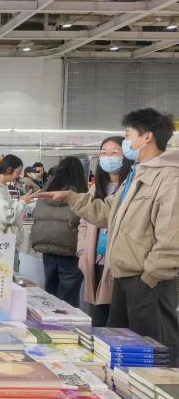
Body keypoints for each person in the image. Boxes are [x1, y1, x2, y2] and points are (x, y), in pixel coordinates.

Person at [39, 108, 179, 363]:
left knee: (154, 354)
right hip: (124, 278)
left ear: (147, 137)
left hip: (148, 282)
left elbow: (172, 238)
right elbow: (106, 212)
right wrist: (70, 197)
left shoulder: (170, 178)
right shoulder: (137, 175)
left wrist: (150, 276)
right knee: (125, 351)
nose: (126, 142)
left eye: (128, 135)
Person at [77, 137, 133, 327]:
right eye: (104, 153)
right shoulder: (96, 189)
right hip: (95, 263)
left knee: (118, 325)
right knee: (97, 322)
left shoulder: (131, 187)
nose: (108, 157)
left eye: (115, 153)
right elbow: (84, 224)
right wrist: (82, 254)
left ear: (126, 156)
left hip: (118, 266)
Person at [30, 157, 89, 308]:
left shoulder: (47, 189)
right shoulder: (80, 192)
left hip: (47, 247)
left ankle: (49, 321)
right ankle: (67, 323)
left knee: (50, 294)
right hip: (70, 250)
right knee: (68, 298)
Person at [0, 155, 36, 270]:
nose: (18, 176)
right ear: (9, 170)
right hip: (2, 244)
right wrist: (22, 202)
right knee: (7, 275)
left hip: (3, 243)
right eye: (17, 172)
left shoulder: (0, 189)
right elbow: (8, 217)